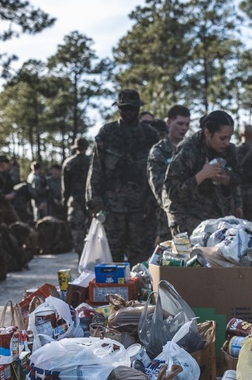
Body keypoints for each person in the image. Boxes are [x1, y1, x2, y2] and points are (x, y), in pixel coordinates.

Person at [87, 89, 160, 263]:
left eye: (132, 108)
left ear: (138, 109)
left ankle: (141, 291)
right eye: (124, 108)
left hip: (142, 211)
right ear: (119, 108)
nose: (128, 112)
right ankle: (111, 291)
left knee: (142, 260)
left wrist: (152, 201)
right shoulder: (107, 133)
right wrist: (96, 204)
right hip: (112, 210)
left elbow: (155, 172)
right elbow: (96, 170)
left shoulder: (150, 135)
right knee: (110, 260)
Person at [164, 110, 242, 236]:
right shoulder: (188, 150)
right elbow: (172, 192)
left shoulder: (229, 150)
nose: (227, 142)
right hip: (188, 221)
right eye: (222, 138)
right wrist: (202, 175)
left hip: (219, 220)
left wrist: (225, 178)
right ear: (207, 132)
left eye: (229, 137)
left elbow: (238, 178)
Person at [148, 105, 191, 242]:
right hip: (167, 220)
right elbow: (160, 189)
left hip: (193, 218)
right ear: (168, 122)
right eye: (180, 123)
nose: (184, 128)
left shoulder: (192, 149)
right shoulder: (159, 151)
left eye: (187, 124)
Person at [62, 137, 92, 252]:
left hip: (75, 201)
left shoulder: (69, 163)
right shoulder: (92, 161)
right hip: (91, 201)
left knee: (78, 231)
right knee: (92, 229)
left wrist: (65, 201)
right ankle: (92, 255)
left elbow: (65, 186)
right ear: (86, 147)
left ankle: (81, 255)